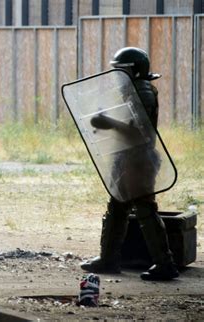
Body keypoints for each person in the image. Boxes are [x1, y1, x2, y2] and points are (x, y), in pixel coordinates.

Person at [80, 47, 179, 281]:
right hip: (127, 158)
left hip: (138, 160)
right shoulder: (131, 89)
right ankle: (109, 259)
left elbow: (138, 133)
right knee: (117, 208)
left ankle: (165, 264)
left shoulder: (142, 92)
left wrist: (107, 122)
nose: (117, 74)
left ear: (134, 71)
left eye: (121, 70)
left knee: (145, 210)